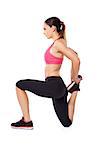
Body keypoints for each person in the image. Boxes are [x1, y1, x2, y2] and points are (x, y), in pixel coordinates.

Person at [11, 17, 82, 129]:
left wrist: (73, 77)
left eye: (45, 29)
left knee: (19, 85)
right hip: (58, 87)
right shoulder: (61, 42)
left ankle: (27, 120)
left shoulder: (58, 44)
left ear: (53, 28)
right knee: (67, 122)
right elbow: (74, 55)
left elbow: (76, 60)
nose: (43, 32)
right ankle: (74, 91)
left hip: (53, 85)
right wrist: (74, 82)